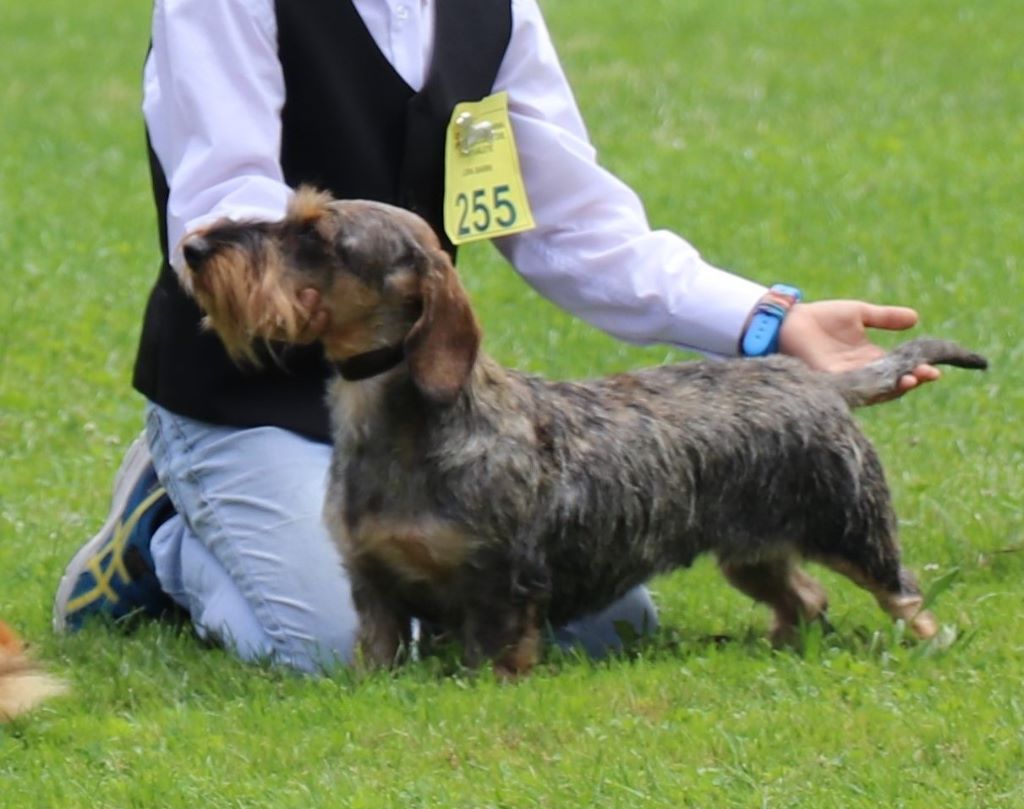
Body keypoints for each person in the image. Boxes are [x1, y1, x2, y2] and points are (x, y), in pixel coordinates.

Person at [53, 0, 938, 673]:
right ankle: (162, 537)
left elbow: (570, 225)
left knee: (602, 623)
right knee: (329, 645)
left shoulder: (493, 8)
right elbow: (220, 211)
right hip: (247, 396)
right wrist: (323, 279)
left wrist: (765, 321)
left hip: (423, 408)